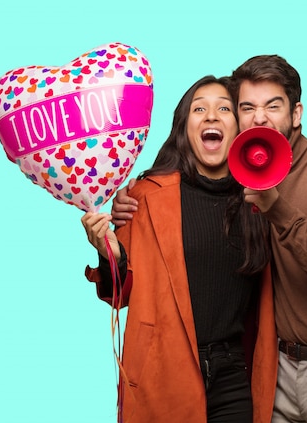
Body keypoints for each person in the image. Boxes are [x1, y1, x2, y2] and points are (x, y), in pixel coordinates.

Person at [113, 56, 307, 422]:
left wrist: (278, 209)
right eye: (248, 107)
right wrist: (126, 208)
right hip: (278, 372)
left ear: (296, 114)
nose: (260, 118)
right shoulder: (240, 187)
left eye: (272, 106)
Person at [81, 75, 278, 423]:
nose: (212, 116)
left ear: (239, 128)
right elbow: (119, 295)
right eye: (199, 108)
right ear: (184, 127)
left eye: (224, 108)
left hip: (233, 374)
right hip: (164, 370)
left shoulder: (260, 200)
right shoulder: (144, 197)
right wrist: (107, 252)